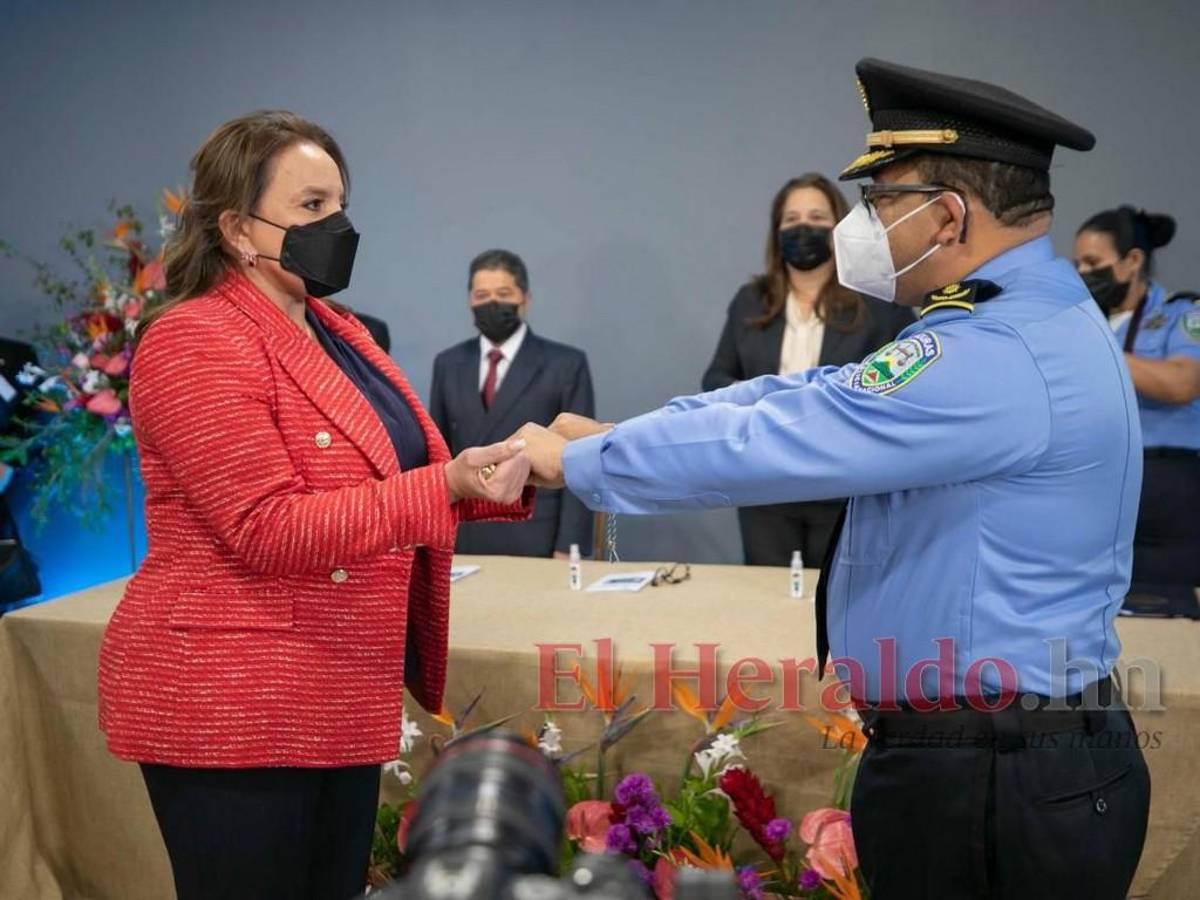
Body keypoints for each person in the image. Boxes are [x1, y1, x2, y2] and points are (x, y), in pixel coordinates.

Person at [518, 59, 1150, 899]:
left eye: (882, 202)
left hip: (993, 771)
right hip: (1003, 752)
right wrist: (624, 435)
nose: (868, 225)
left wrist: (583, 465)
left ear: (948, 215)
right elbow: (804, 392)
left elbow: (789, 437)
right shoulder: (1013, 317)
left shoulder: (996, 352)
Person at [97, 110, 533, 900]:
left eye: (341, 204)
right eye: (311, 208)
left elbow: (389, 480)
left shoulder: (334, 330)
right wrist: (450, 484)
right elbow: (268, 527)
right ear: (235, 228)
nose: (338, 225)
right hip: (234, 705)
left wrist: (518, 469)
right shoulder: (194, 339)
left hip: (332, 691)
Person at [702, 173, 913, 565]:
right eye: (791, 219)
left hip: (845, 486)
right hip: (764, 483)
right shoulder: (751, 301)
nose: (804, 227)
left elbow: (901, 393)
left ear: (839, 227)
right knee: (766, 602)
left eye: (817, 217)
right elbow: (715, 379)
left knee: (835, 606)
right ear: (776, 231)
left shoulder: (882, 305)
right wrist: (767, 403)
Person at [1074, 207, 1200, 615]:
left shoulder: (1183, 315)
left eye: (1093, 263)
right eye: (1077, 263)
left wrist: (1097, 349)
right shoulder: (1079, 320)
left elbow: (1182, 383)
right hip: (1093, 483)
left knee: (1168, 610)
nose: (1083, 272)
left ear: (1132, 261)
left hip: (1166, 487)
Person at [429, 249, 594, 558]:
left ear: (525, 299)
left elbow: (579, 460)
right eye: (482, 295)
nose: (492, 303)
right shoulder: (448, 363)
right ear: (470, 302)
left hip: (537, 535)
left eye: (503, 293)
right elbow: (437, 454)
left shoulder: (566, 364)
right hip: (465, 536)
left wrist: (569, 546)